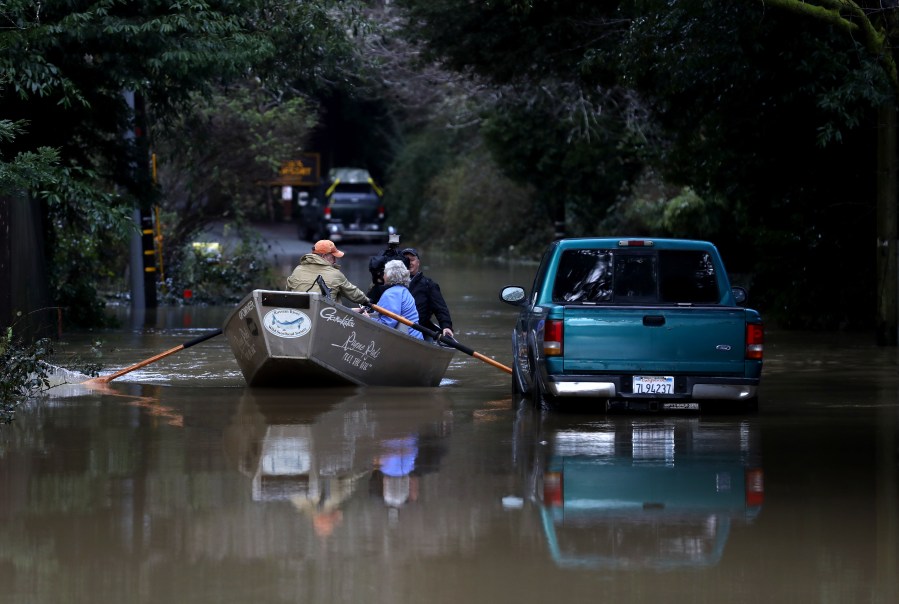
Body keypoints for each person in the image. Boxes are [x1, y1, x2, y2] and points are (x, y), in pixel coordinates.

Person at [285, 239, 370, 306]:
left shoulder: (297, 269)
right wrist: (367, 301)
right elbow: (355, 294)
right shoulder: (335, 274)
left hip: (301, 313)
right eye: (333, 256)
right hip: (325, 317)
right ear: (324, 256)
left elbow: (287, 292)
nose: (335, 260)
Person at [402, 247, 454, 339]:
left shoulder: (429, 285)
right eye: (406, 260)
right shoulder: (391, 283)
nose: (409, 263)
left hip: (419, 328)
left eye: (412, 260)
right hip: (396, 325)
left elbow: (440, 308)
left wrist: (446, 326)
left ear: (418, 262)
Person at [364, 260, 424, 340]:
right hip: (416, 337)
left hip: (409, 341)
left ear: (390, 275)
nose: (383, 276)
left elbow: (387, 324)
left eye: (385, 273)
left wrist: (368, 319)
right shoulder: (403, 290)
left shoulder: (391, 294)